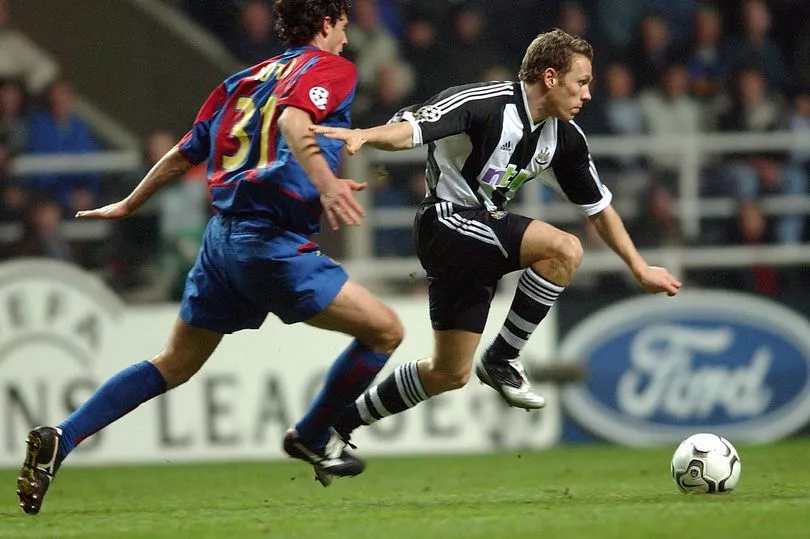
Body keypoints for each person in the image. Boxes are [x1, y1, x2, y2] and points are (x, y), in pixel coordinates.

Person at [16, 0, 404, 515]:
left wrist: (133, 202)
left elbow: (185, 152)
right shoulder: (330, 68)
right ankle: (313, 434)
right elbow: (293, 119)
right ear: (328, 23)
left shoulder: (241, 80)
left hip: (221, 240)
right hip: (271, 243)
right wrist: (327, 182)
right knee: (386, 331)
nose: (347, 41)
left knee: (174, 363)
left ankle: (62, 437)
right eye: (344, 29)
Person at [312, 29, 681, 439]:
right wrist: (366, 135)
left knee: (449, 373)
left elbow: (599, 210)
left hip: (478, 237)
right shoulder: (484, 103)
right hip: (445, 222)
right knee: (564, 249)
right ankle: (503, 357)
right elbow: (412, 129)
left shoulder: (564, 139)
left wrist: (639, 266)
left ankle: (335, 427)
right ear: (551, 76)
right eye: (582, 82)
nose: (588, 95)